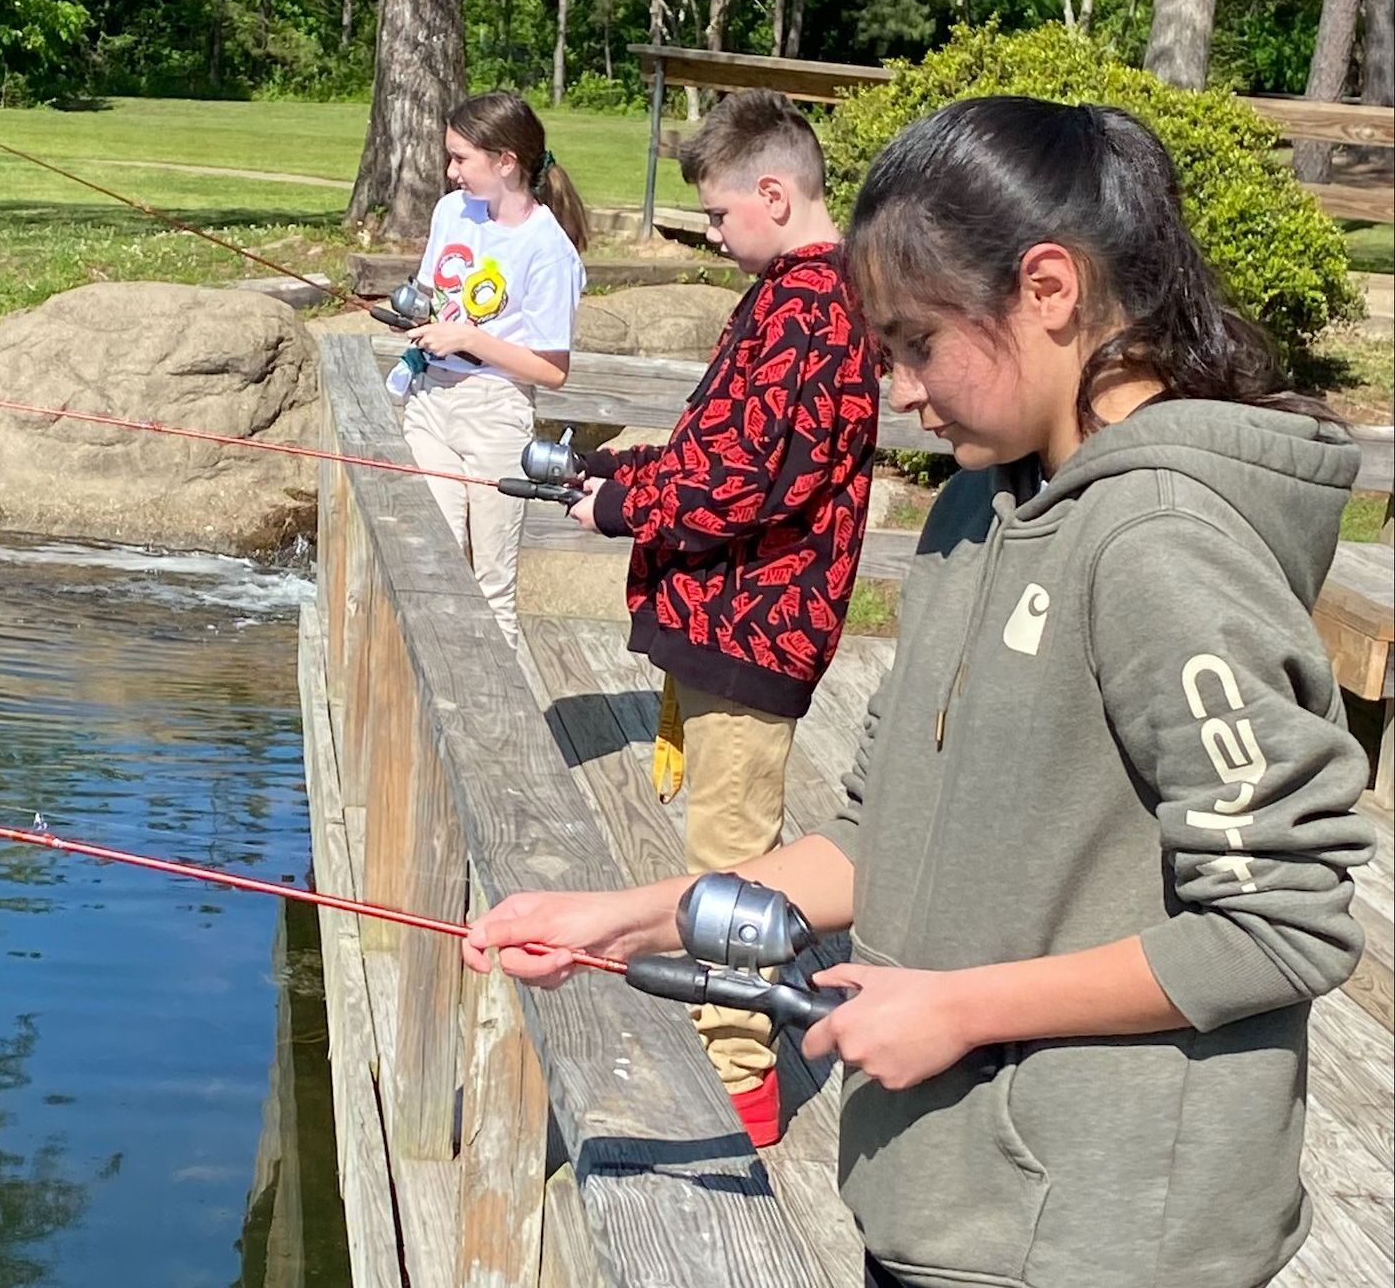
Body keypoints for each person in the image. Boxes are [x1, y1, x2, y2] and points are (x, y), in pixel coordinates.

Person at [465, 96, 1376, 1288]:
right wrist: (630, 914)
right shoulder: (971, 512)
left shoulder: (1163, 545)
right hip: (943, 1213)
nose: (894, 390)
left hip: (1098, 1242)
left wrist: (960, 1008)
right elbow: (870, 834)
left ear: (1047, 288)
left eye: (914, 345)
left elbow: (1278, 923)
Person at [564, 89, 878, 1145]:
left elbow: (739, 487)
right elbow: (719, 449)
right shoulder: (800, 298)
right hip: (731, 620)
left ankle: (737, 1077)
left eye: (717, 215)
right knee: (719, 840)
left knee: (731, 863)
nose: (710, 231)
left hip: (760, 628)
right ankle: (725, 1049)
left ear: (775, 195)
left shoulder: (809, 310)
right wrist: (618, 472)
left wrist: (620, 506)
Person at [396, 91, 588, 648]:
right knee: (434, 557)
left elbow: (552, 371)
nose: (451, 172)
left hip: (496, 414)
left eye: (461, 159)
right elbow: (432, 293)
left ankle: (505, 718)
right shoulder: (450, 211)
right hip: (430, 400)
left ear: (506, 162)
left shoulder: (548, 250)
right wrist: (420, 316)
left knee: (491, 586)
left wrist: (470, 338)